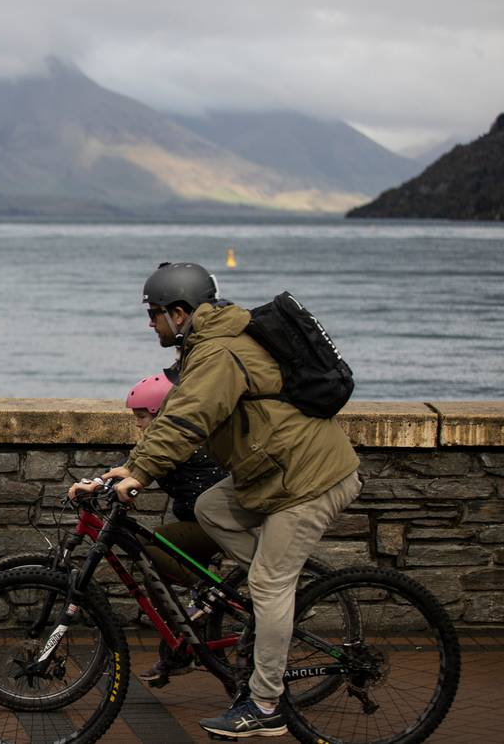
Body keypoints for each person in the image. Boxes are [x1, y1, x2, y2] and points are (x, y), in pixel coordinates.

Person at [74, 262, 361, 738]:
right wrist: (130, 466)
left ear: (180, 313)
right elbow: (174, 417)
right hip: (272, 475)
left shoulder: (220, 352)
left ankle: (265, 706)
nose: (150, 323)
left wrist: (139, 474)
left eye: (155, 313)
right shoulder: (206, 347)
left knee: (270, 584)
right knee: (211, 507)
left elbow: (189, 421)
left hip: (309, 479)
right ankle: (270, 591)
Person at [119, 372, 229, 686]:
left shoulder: (178, 441)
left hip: (216, 524)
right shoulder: (159, 440)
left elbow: (148, 469)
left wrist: (129, 485)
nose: (137, 424)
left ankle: (208, 594)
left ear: (159, 412)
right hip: (200, 523)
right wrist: (98, 483)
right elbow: (133, 465)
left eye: (141, 416)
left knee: (154, 547)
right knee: (153, 575)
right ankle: (178, 653)